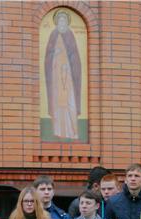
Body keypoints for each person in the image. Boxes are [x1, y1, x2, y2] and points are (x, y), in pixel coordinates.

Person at [45, 9, 82, 140]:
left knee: (69, 102)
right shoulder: (53, 35)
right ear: (57, 22)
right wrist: (56, 53)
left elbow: (75, 56)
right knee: (57, 102)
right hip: (56, 76)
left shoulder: (70, 35)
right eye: (59, 20)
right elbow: (48, 57)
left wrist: (69, 63)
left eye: (64, 20)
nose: (61, 22)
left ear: (66, 22)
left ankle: (71, 131)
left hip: (69, 77)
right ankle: (58, 130)